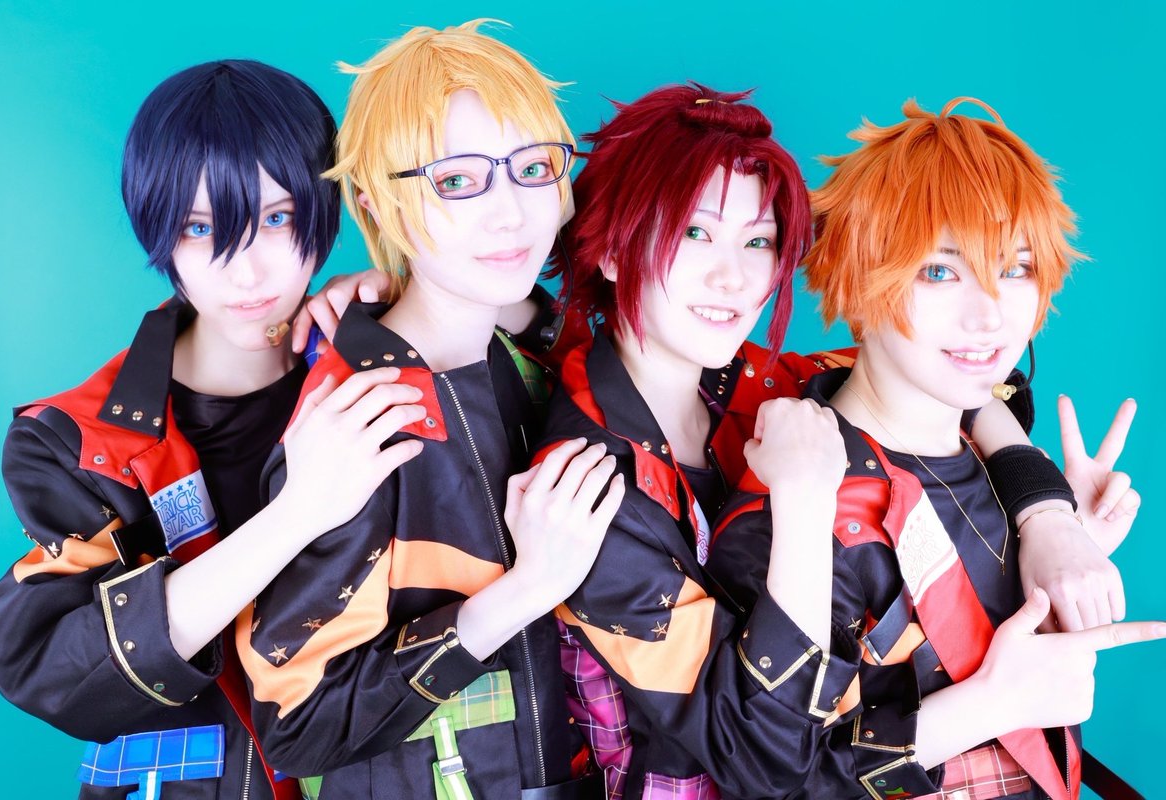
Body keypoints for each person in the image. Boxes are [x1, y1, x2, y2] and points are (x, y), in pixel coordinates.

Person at [536, 85, 1142, 799]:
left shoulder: (754, 382)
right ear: (611, 247)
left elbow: (961, 382)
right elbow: (764, 763)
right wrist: (802, 500)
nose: (733, 276)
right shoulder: (591, 486)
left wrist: (1049, 515)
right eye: (693, 232)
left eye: (758, 240)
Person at [0, 60, 426, 799]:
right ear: (156, 227)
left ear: (327, 209)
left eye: (277, 219)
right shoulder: (73, 441)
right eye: (200, 227)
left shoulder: (379, 372)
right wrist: (299, 513)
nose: (246, 272)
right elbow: (52, 673)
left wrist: (418, 306)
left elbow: (542, 362)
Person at [707, 97, 1160, 799]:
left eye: (1016, 268)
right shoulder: (803, 500)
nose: (990, 315)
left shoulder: (997, 462)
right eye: (941, 272)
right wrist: (991, 703)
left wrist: (1062, 528)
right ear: (859, 281)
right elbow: (774, 780)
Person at [238, 21, 620, 800]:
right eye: (456, 181)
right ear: (378, 204)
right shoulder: (359, 416)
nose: (510, 213)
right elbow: (297, 722)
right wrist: (522, 593)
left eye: (532, 168)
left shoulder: (536, 361)